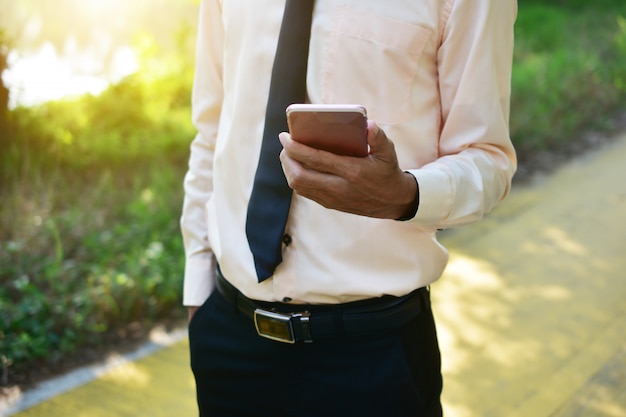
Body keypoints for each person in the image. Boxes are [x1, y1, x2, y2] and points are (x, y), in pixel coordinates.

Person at [181, 0, 517, 416]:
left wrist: (405, 193)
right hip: (230, 344)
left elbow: (488, 158)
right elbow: (213, 128)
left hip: (373, 358)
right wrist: (198, 291)